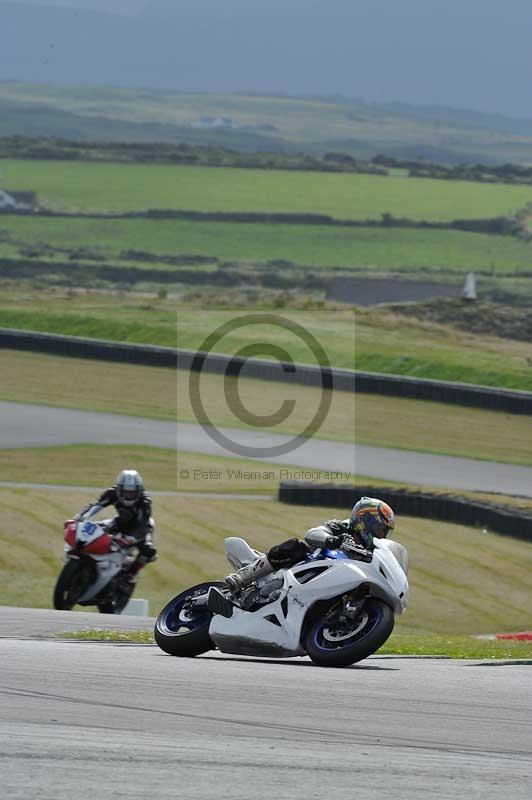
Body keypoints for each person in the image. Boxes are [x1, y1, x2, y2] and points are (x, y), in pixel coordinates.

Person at [225, 496, 403, 594]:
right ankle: (243, 577)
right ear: (365, 521)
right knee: (296, 546)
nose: (381, 535)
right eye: (379, 529)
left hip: (333, 583)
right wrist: (330, 540)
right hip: (303, 569)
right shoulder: (342, 527)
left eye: (384, 532)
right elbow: (312, 534)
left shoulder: (371, 551)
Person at [76, 469, 157, 584]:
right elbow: (97, 505)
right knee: (94, 530)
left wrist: (131, 538)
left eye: (132, 492)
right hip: (119, 522)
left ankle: (132, 574)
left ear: (139, 491)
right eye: (126, 492)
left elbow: (143, 524)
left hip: (141, 528)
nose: (129, 495)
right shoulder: (112, 493)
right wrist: (81, 518)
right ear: (119, 489)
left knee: (149, 550)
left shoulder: (145, 502)